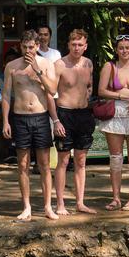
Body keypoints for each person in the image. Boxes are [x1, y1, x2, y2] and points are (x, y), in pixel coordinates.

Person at [1, 30, 58, 221]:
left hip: (41, 117)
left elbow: (52, 89)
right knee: (23, 164)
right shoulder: (12, 66)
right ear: (20, 46)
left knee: (44, 164)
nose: (28, 50)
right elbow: (6, 95)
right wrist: (6, 121)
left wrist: (37, 70)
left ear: (37, 46)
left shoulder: (46, 64)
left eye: (31, 47)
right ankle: (26, 206)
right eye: (24, 47)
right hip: (20, 117)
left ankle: (48, 206)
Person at [97, 34, 129, 211]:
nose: (125, 50)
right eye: (121, 48)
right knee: (116, 157)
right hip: (115, 114)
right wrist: (120, 95)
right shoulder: (109, 67)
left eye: (127, 47)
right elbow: (101, 91)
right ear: (116, 50)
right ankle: (116, 197)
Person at [52, 29, 96, 215]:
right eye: (73, 44)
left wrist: (88, 94)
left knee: (81, 160)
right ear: (68, 45)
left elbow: (89, 85)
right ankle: (60, 203)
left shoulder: (88, 64)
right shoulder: (59, 65)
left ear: (85, 46)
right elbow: (50, 94)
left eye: (80, 45)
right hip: (64, 114)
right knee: (63, 160)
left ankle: (80, 202)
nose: (77, 48)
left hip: (84, 114)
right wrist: (55, 120)